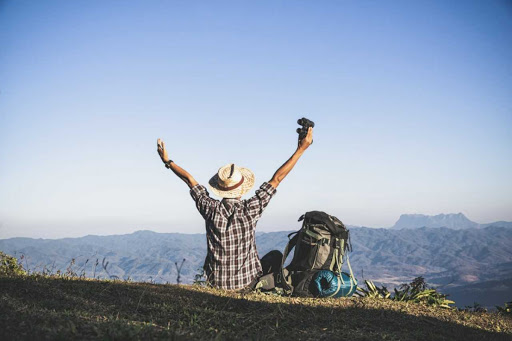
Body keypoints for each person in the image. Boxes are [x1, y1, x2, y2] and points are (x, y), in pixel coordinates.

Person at [157, 127, 313, 290]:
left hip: (216, 284)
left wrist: (167, 161)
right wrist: (300, 149)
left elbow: (189, 180)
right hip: (247, 284)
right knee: (275, 256)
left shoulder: (209, 208)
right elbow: (277, 178)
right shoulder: (251, 208)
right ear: (242, 188)